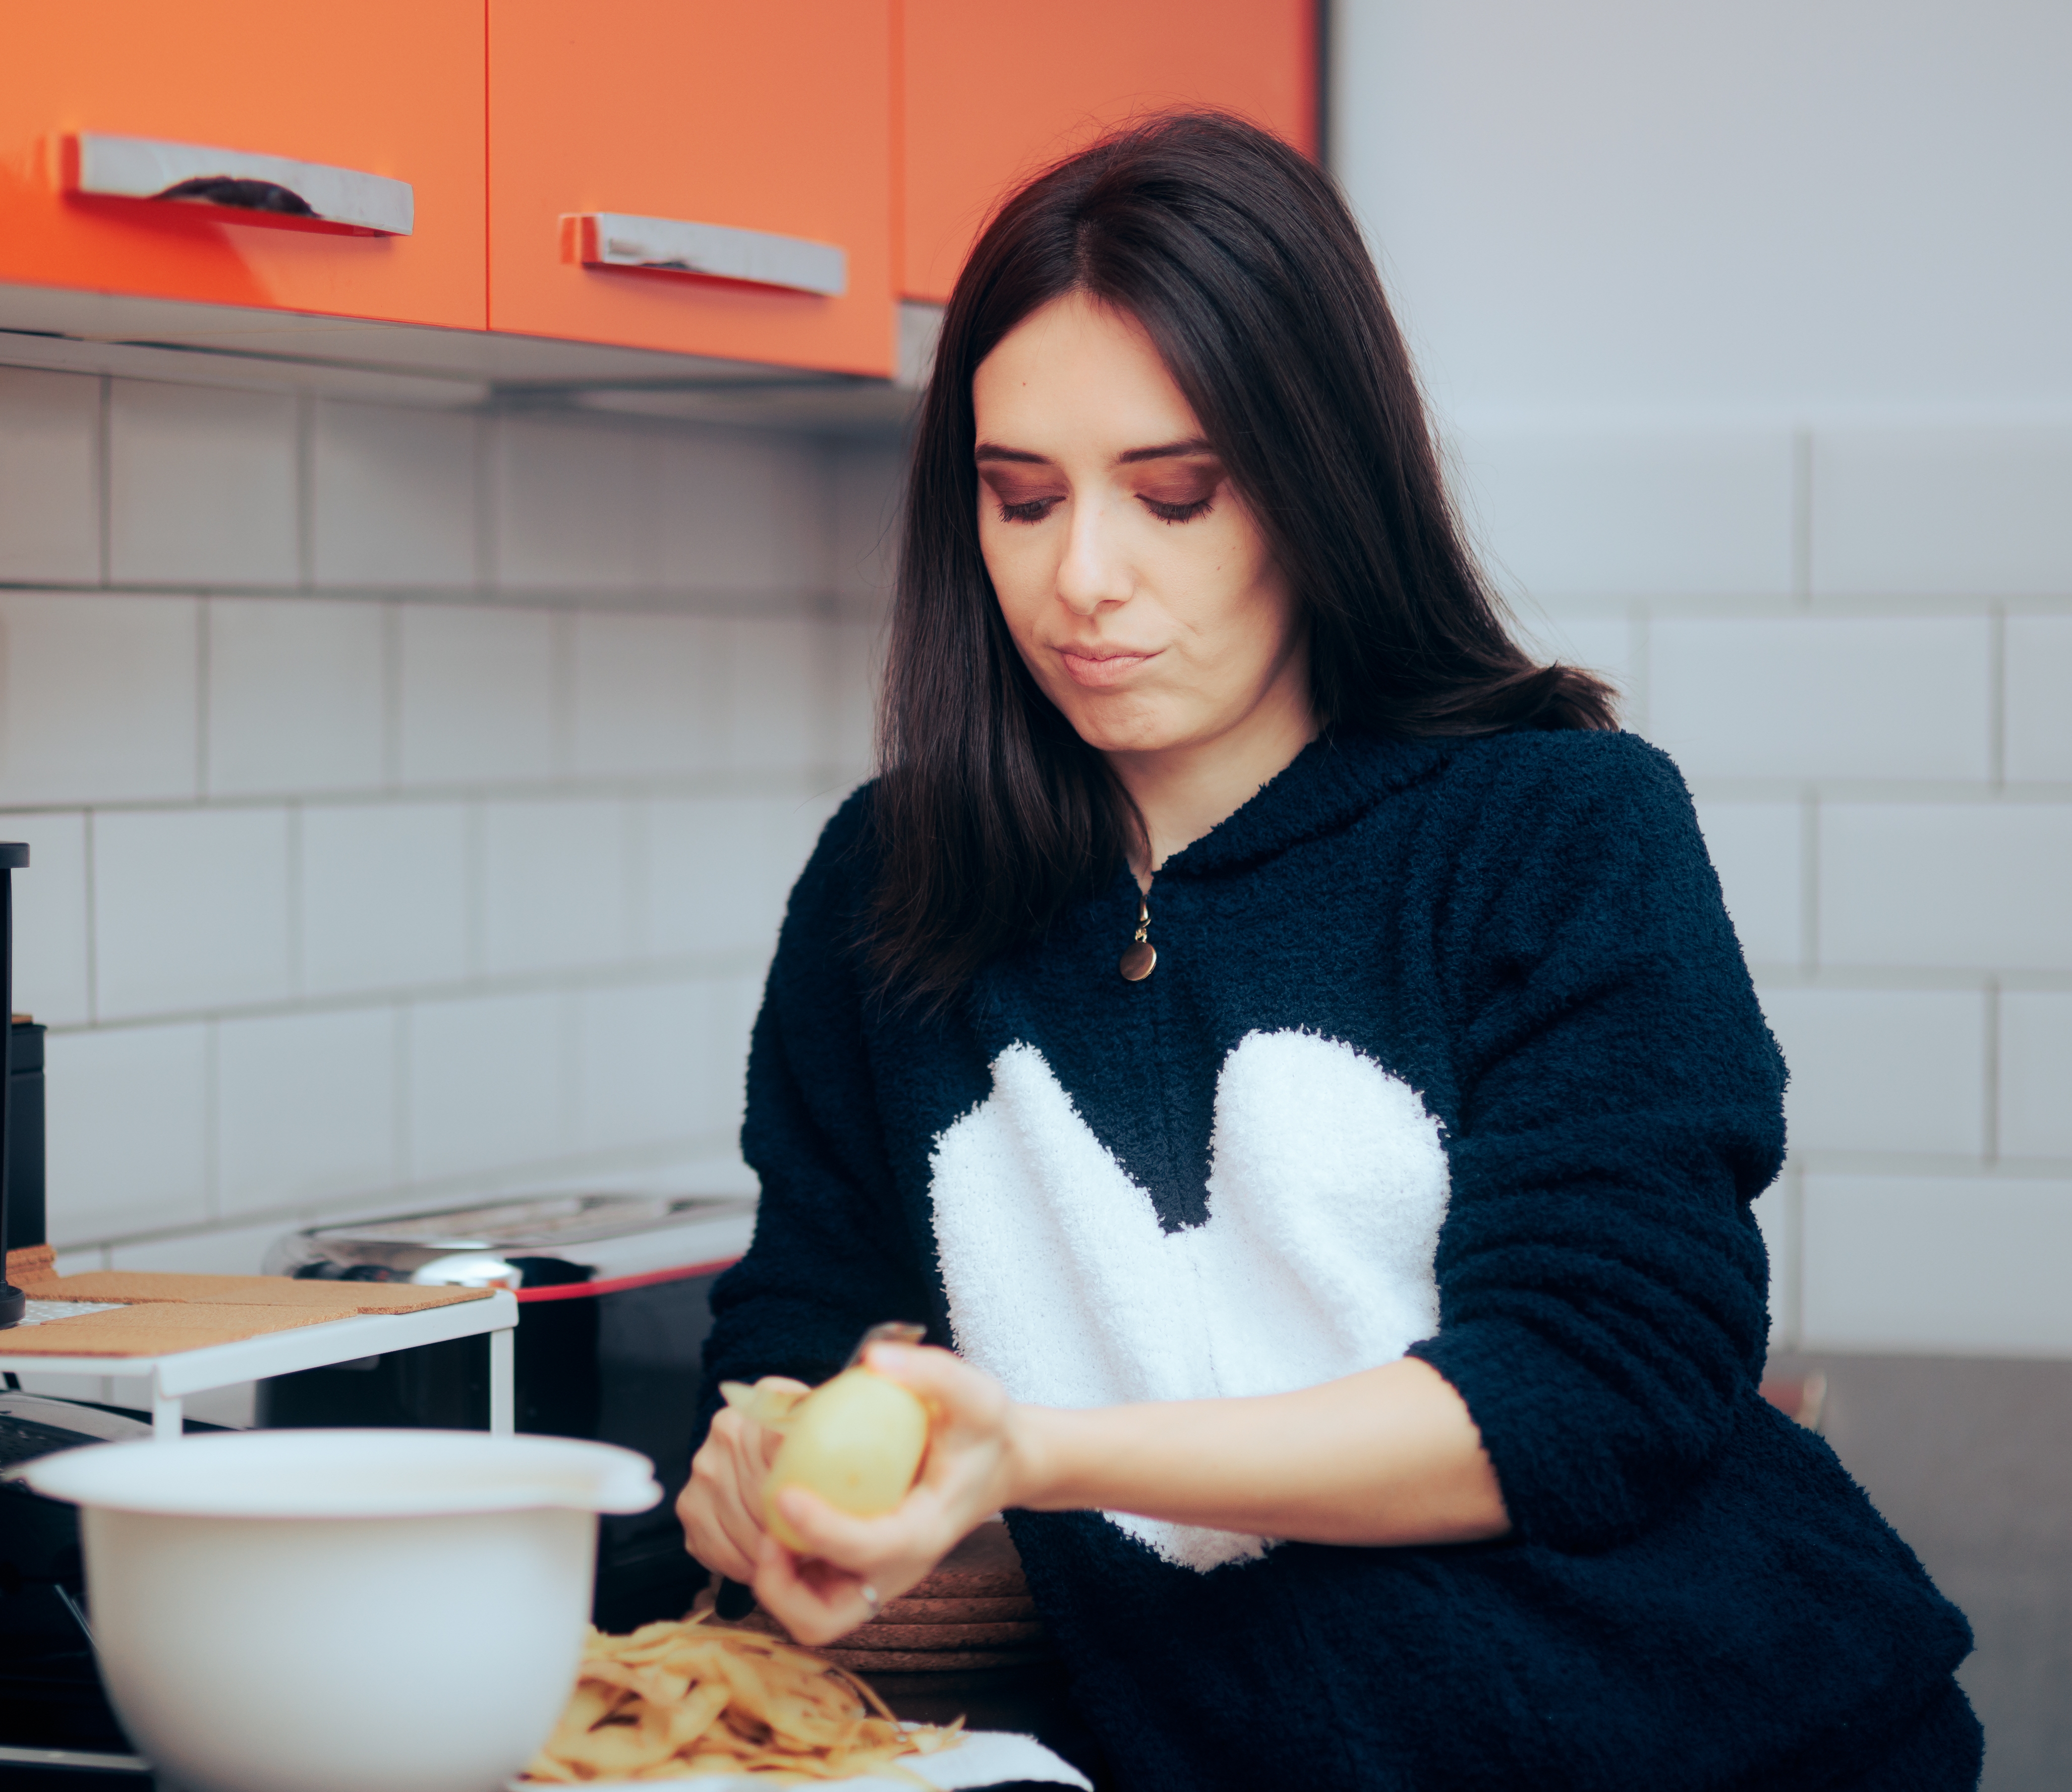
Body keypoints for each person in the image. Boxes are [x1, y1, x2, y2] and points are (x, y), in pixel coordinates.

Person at [679, 112, 1979, 1791]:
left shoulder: (1554, 826)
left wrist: (1042, 1454)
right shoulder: (890, 887)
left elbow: (1597, 1383)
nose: (1085, 579)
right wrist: (779, 1447)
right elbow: (815, 1311)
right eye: (1020, 499)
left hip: (1716, 1741)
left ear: (1315, 478)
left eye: (1175, 495)